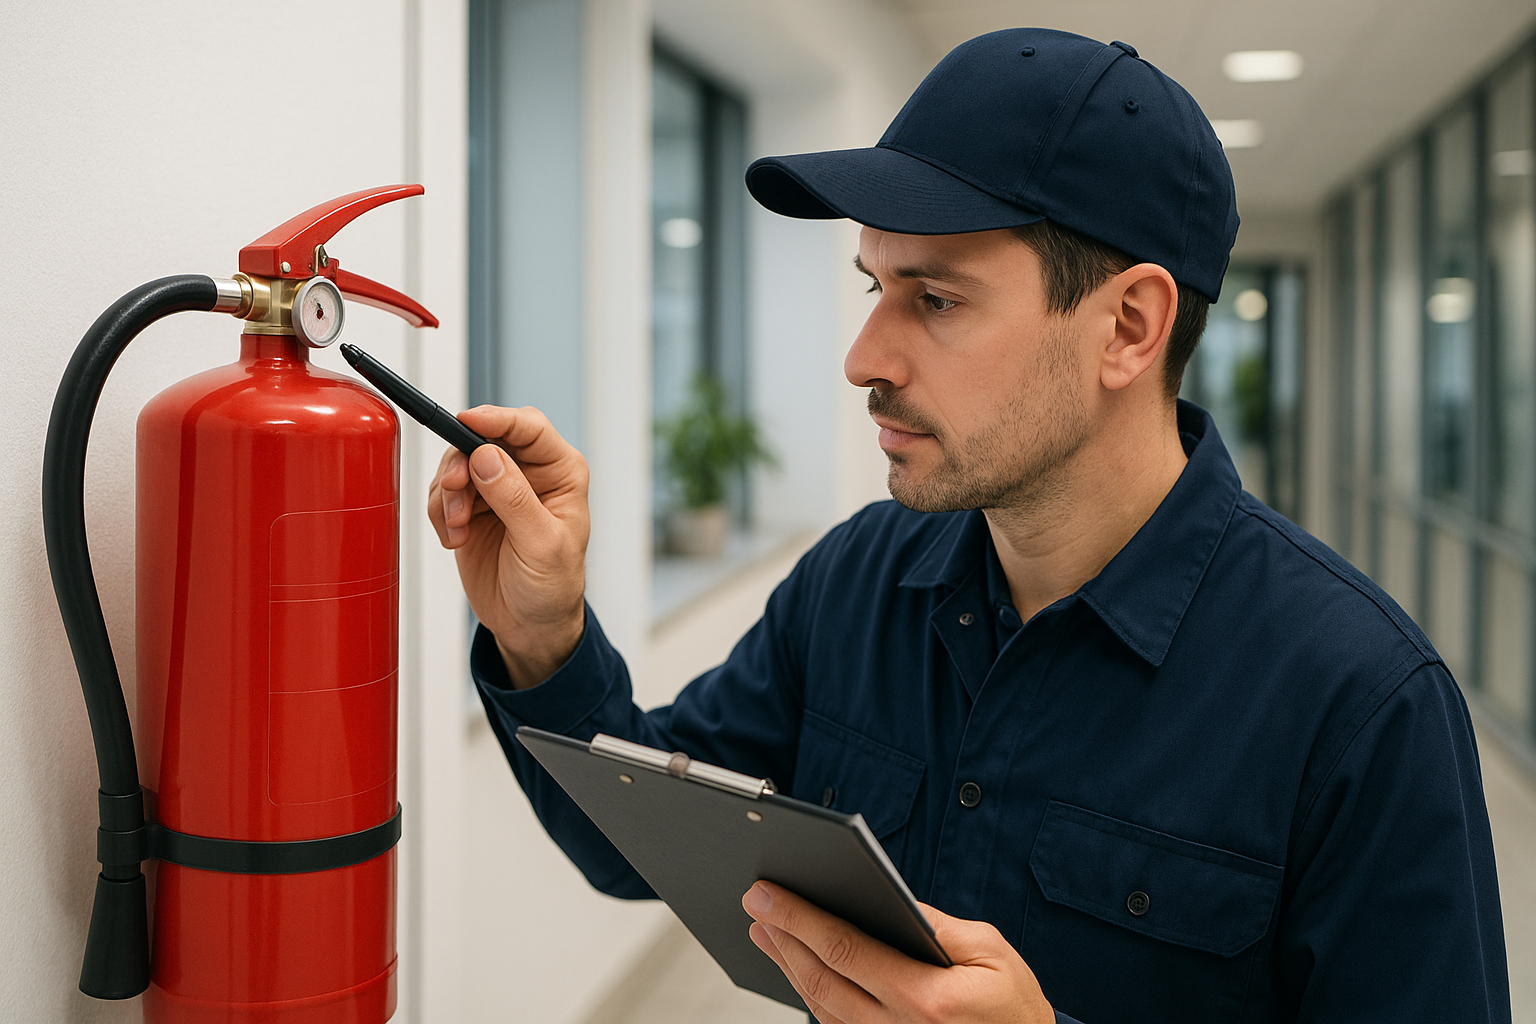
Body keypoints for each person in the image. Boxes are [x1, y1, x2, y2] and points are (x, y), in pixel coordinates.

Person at [428, 27, 1510, 1024]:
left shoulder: (1362, 703)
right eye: (875, 286)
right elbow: (649, 843)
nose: (865, 359)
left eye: (935, 299)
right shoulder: (858, 580)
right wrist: (544, 633)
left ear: (1128, 327)